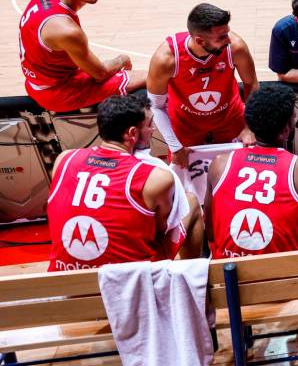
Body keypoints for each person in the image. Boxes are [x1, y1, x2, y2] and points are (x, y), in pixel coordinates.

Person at [47, 94, 203, 272]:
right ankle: (190, 280)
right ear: (132, 134)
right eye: (150, 125)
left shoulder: (64, 159)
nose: (153, 130)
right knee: (191, 202)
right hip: (130, 283)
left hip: (67, 277)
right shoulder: (155, 178)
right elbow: (161, 229)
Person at [205, 83, 298, 258]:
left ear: (251, 126)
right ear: (285, 131)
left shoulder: (219, 164)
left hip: (229, 273)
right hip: (286, 276)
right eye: (294, 120)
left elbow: (210, 231)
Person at [19, 0, 145, 112]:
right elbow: (101, 74)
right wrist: (121, 60)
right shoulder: (67, 32)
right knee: (150, 77)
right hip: (59, 93)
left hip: (36, 83)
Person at [147, 3, 258, 168]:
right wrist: (175, 147)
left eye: (227, 33)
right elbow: (155, 106)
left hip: (229, 117)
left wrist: (249, 127)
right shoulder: (166, 58)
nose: (228, 39)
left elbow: (251, 83)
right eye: (221, 37)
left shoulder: (235, 47)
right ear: (199, 40)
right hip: (186, 123)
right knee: (185, 181)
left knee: (236, 172)